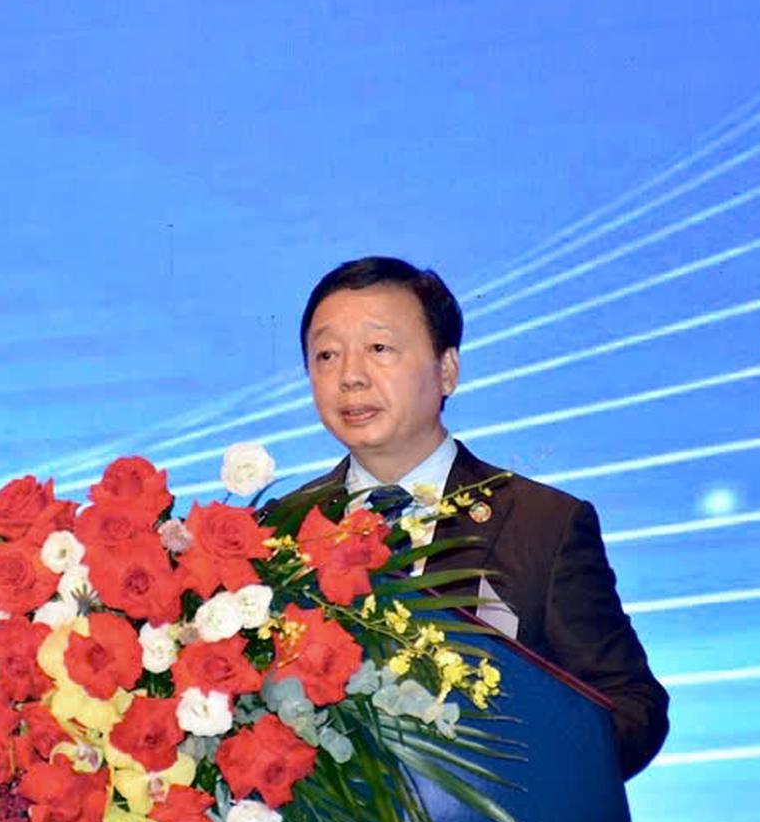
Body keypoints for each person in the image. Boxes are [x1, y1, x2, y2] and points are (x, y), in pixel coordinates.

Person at [281, 255, 669, 780]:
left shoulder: (543, 525)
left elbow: (632, 707)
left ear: (447, 370)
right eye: (327, 355)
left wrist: (516, 772)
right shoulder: (278, 532)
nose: (350, 377)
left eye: (379, 349)